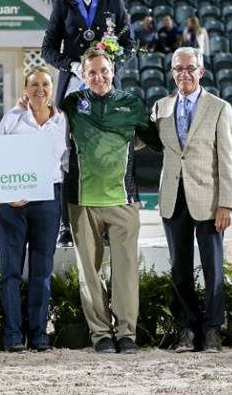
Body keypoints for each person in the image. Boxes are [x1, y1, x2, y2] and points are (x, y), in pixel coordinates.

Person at [59, 47, 161, 354]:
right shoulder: (72, 105)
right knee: (89, 273)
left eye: (104, 71)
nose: (99, 77)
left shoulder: (131, 104)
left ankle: (126, 333)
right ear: (84, 75)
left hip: (123, 200)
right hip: (82, 202)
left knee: (126, 271)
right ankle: (101, 335)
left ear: (113, 71)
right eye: (92, 73)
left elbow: (157, 141)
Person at [41, 0, 137, 248]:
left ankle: (108, 225)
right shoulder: (61, 6)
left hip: (106, 90)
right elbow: (47, 48)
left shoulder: (114, 4)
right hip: (73, 89)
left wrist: (111, 64)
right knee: (70, 158)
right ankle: (67, 226)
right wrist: (71, 65)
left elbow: (130, 44)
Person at [150, 46, 232, 354]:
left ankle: (213, 330)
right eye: (178, 68)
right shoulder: (160, 107)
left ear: (200, 71)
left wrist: (226, 202)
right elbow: (137, 139)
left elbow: (228, 160)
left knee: (213, 268)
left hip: (210, 200)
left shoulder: (219, 108)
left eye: (190, 68)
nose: (184, 73)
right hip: (173, 199)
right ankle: (187, 328)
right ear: (172, 72)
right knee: (180, 269)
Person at [0, 66, 69, 353]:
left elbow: (66, 162)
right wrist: (7, 194)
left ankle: (38, 333)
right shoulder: (12, 118)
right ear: (25, 88)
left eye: (45, 84)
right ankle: (12, 335)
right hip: (13, 204)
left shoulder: (61, 121)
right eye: (34, 84)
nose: (40, 89)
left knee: (42, 270)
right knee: (10, 270)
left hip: (47, 201)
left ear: (52, 88)